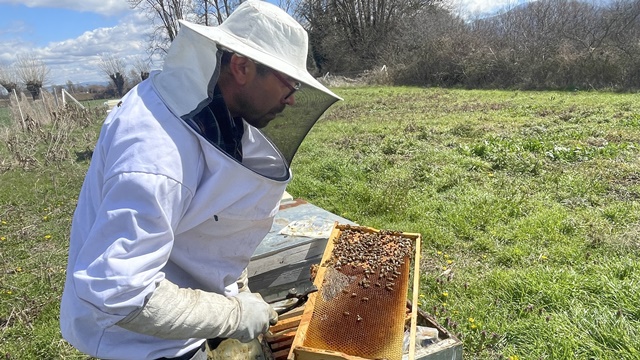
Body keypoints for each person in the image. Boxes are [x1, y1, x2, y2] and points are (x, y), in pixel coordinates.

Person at [59, 1, 341, 359]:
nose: (293, 101)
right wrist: (233, 314)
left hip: (181, 312)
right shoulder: (155, 155)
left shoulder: (211, 110)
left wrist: (235, 288)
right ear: (241, 66)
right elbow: (120, 292)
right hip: (137, 342)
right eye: (289, 84)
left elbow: (211, 209)